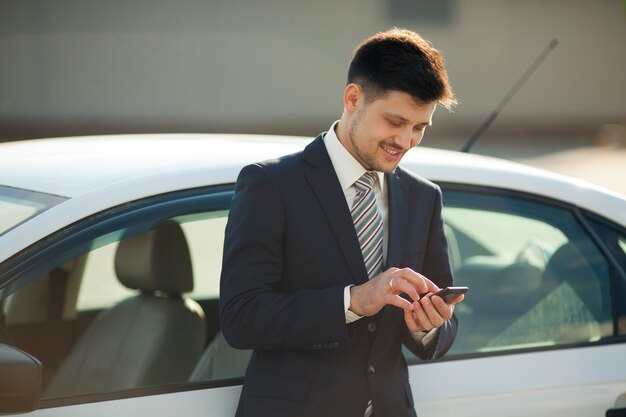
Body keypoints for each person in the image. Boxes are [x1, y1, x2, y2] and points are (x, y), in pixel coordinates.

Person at [219, 28, 463, 417]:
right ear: (353, 98)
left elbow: (441, 327)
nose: (406, 140)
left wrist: (428, 326)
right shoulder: (270, 185)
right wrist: (354, 300)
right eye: (395, 121)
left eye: (419, 127)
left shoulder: (423, 197)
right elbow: (241, 317)